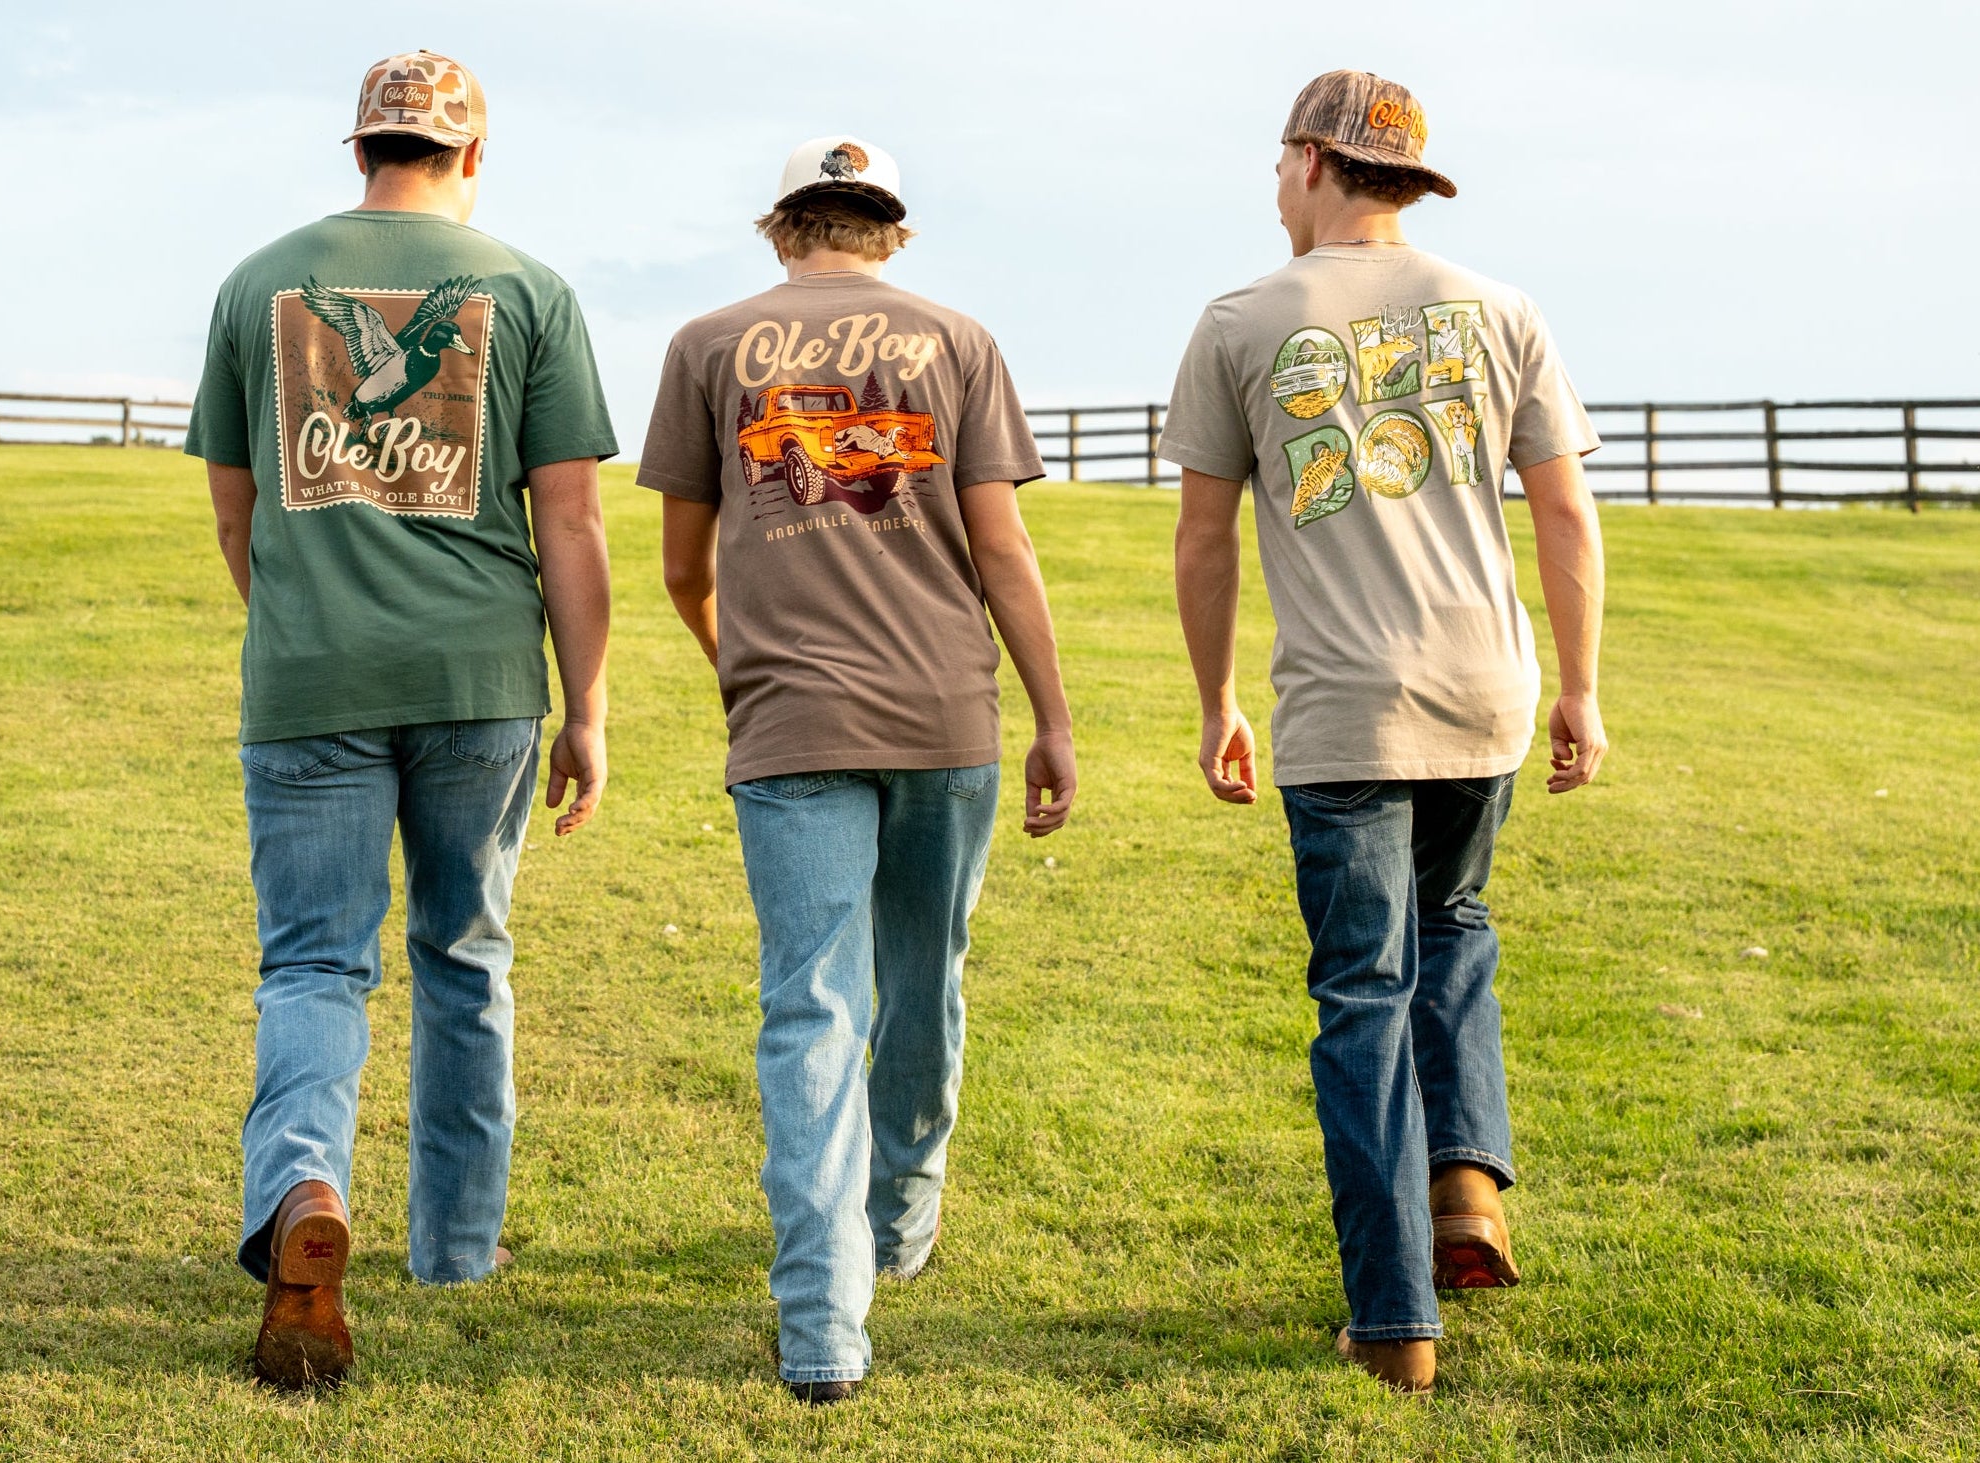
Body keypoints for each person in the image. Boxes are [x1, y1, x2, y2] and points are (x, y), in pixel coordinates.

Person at [1162, 71, 1608, 1392]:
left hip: (1343, 708)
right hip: (1485, 694)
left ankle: (1391, 1309)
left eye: (1278, 166)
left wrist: (1215, 701)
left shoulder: (1241, 318)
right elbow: (1565, 514)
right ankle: (1466, 1184)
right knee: (1455, 925)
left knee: (1362, 986)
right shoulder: (1499, 308)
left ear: (1308, 161)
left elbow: (1201, 535)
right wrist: (1578, 686)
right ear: (1405, 181)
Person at [182, 50, 619, 1389]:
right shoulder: (532, 290)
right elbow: (573, 519)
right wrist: (587, 703)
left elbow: (235, 508)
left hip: (309, 677)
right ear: (471, 156)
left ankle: (307, 1185)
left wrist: (307, 619)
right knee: (462, 953)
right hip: (478, 679)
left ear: (358, 146)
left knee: (315, 961)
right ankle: (457, 1243)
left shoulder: (258, 283)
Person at [638, 136, 1076, 1405]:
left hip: (790, 727)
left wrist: (747, 664)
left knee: (809, 1009)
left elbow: (683, 565)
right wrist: (1051, 715)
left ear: (783, 229)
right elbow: (1003, 550)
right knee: (922, 974)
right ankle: (898, 1222)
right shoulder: (959, 341)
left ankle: (824, 1326)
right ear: (891, 231)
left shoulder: (706, 344)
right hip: (947, 714)